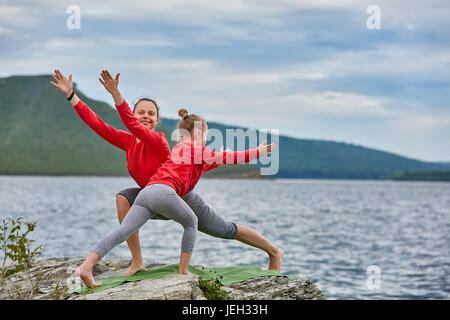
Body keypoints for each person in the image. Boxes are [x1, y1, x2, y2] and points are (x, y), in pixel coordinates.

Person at [50, 69, 283, 279]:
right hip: (152, 195)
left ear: (157, 120)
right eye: (140, 112)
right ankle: (137, 262)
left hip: (182, 196)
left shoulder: (159, 142)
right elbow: (97, 124)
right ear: (134, 113)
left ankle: (273, 251)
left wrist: (116, 96)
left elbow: (199, 159)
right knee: (123, 197)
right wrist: (72, 97)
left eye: (151, 113)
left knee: (224, 230)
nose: (146, 116)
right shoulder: (128, 141)